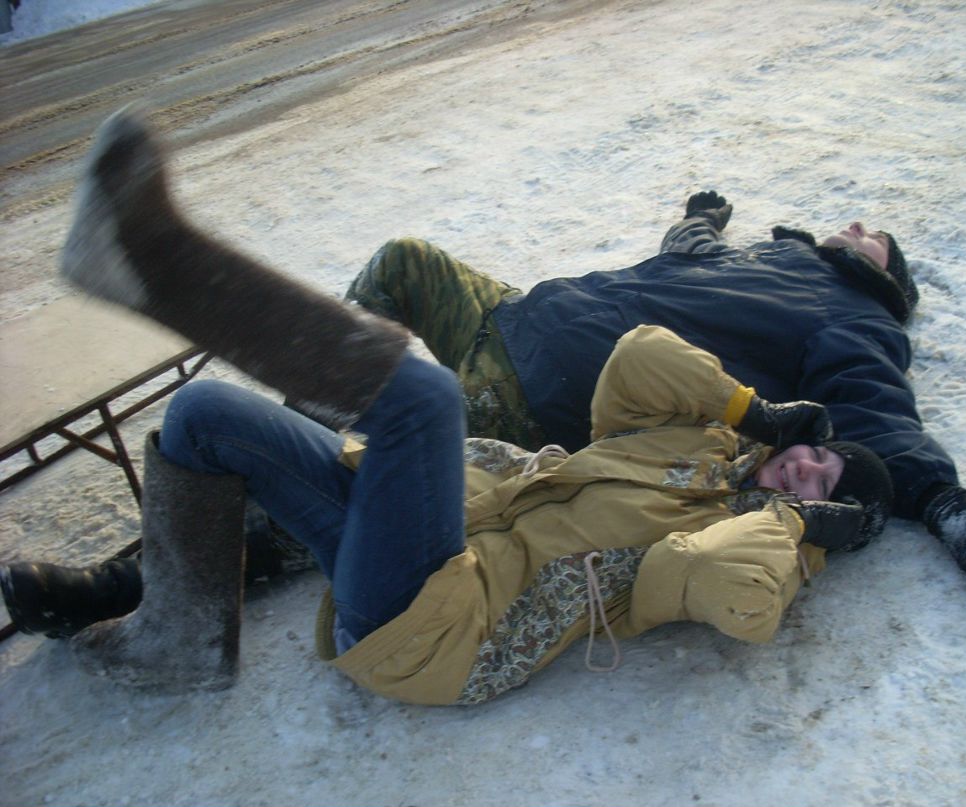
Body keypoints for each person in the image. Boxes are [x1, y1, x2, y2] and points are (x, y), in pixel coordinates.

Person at [1, 108, 894, 703]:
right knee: (201, 415)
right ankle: (177, 632)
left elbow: (718, 586)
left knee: (418, 401)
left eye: (825, 473)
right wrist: (753, 406)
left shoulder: (753, 515)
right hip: (468, 463)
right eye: (821, 450)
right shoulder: (712, 428)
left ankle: (160, 272)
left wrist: (807, 527)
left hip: (442, 620)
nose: (810, 462)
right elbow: (636, 356)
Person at [342, 194, 966, 580]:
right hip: (521, 316)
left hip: (540, 386)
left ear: (888, 278)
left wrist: (946, 500)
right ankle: (320, 404)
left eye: (876, 236)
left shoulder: (853, 316)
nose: (857, 224)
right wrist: (702, 220)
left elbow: (876, 414)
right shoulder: (778, 255)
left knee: (378, 461)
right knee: (404, 261)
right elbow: (690, 257)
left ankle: (280, 497)